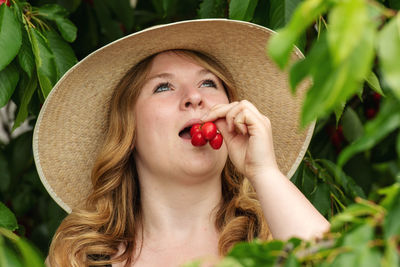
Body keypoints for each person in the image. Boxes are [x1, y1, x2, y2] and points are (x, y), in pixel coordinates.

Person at [33, 20, 330, 266]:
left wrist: (264, 171)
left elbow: (337, 261)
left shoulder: (273, 240)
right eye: (163, 86)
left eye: (208, 83)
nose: (195, 96)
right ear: (128, 131)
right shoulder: (79, 257)